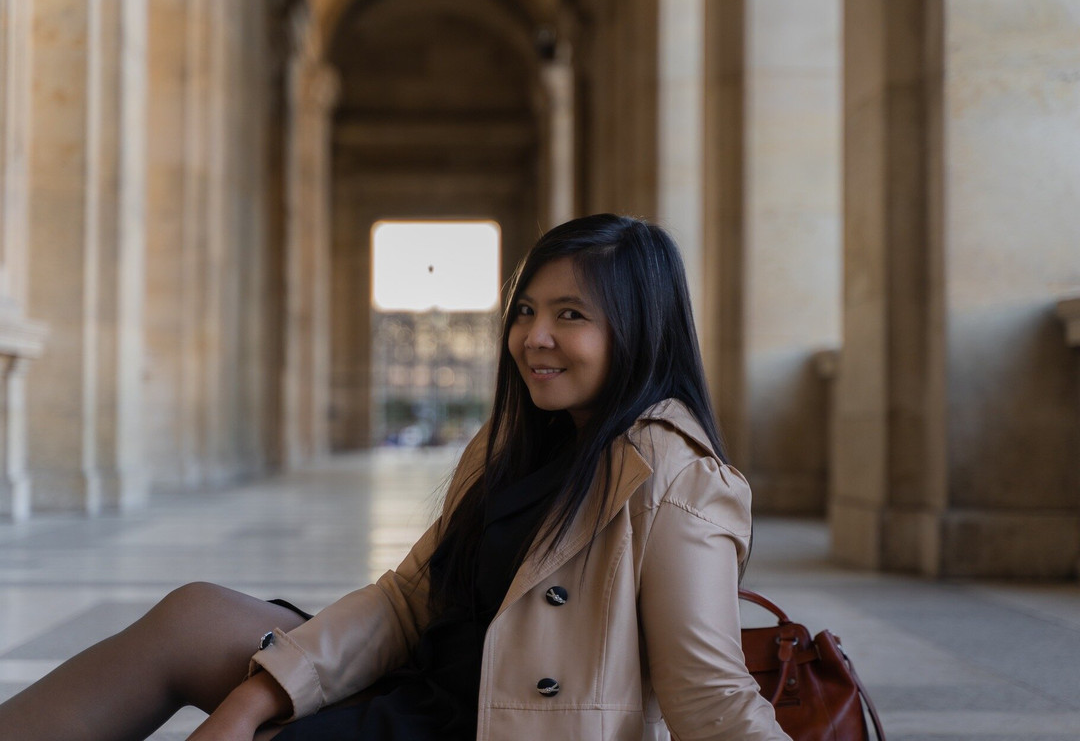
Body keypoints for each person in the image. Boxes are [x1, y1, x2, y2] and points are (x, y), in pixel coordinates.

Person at [0, 214, 790, 741]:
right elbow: (409, 599)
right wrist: (257, 694)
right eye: (524, 309)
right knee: (193, 616)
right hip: (423, 688)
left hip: (480, 727)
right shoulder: (516, 440)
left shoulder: (675, 478)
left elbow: (711, 699)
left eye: (571, 315)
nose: (534, 337)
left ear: (641, 328)